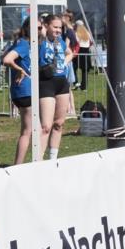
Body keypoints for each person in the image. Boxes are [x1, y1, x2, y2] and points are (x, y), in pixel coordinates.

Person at [3, 17, 42, 164]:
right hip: (24, 91)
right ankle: (18, 166)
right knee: (28, 131)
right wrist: (19, 69)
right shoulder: (24, 44)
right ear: (27, 28)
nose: (39, 31)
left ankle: (36, 161)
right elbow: (6, 59)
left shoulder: (27, 44)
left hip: (27, 90)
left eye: (40, 28)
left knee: (36, 129)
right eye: (36, 28)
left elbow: (3, 57)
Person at [38, 13, 73, 160]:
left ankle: (53, 159)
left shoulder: (60, 41)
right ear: (46, 26)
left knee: (59, 123)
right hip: (46, 83)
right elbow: (38, 33)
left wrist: (64, 63)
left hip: (61, 83)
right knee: (46, 126)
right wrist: (43, 32)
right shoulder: (40, 41)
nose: (58, 30)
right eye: (55, 27)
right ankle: (37, 160)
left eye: (60, 27)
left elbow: (69, 53)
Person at [74, 20, 93, 91]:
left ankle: (76, 82)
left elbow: (76, 42)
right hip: (86, 52)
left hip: (79, 51)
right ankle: (84, 86)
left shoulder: (76, 33)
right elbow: (91, 42)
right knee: (85, 70)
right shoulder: (87, 33)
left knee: (74, 67)